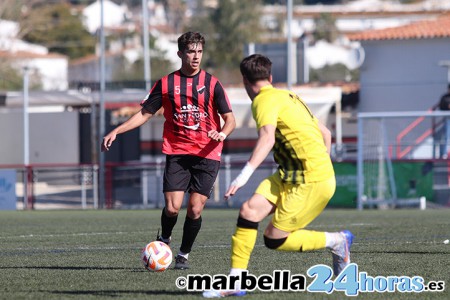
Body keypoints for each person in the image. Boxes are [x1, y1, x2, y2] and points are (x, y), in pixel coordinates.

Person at [203, 54, 353, 298]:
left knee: (274, 239)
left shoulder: (262, 101)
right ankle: (236, 281)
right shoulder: (288, 96)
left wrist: (243, 175)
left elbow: (267, 137)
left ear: (244, 81)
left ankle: (337, 241)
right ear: (270, 78)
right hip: (292, 174)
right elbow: (325, 132)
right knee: (249, 211)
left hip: (310, 181)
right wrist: (322, 162)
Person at [102, 31, 236, 270]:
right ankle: (165, 238)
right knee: (173, 207)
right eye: (191, 52)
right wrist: (117, 131)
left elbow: (230, 119)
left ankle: (183, 254)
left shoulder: (212, 84)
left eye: (199, 51)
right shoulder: (165, 84)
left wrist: (222, 133)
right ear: (180, 54)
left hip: (208, 153)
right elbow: (144, 114)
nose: (196, 57)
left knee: (195, 208)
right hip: (178, 152)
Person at [439, 84, 450, 158]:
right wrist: (447, 106)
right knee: (446, 136)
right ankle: (445, 153)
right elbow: (441, 107)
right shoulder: (445, 97)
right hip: (448, 119)